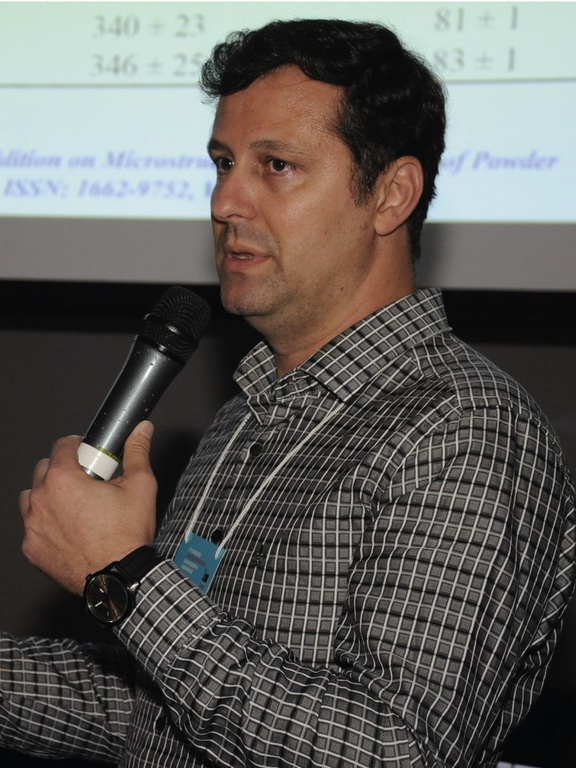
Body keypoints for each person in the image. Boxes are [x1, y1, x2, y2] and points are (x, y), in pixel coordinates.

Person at [3, 18, 575, 768]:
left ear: (392, 194)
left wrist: (126, 578)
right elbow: (155, 713)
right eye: (222, 162)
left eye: (276, 166)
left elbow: (397, 751)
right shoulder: (244, 417)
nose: (224, 202)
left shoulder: (466, 428)